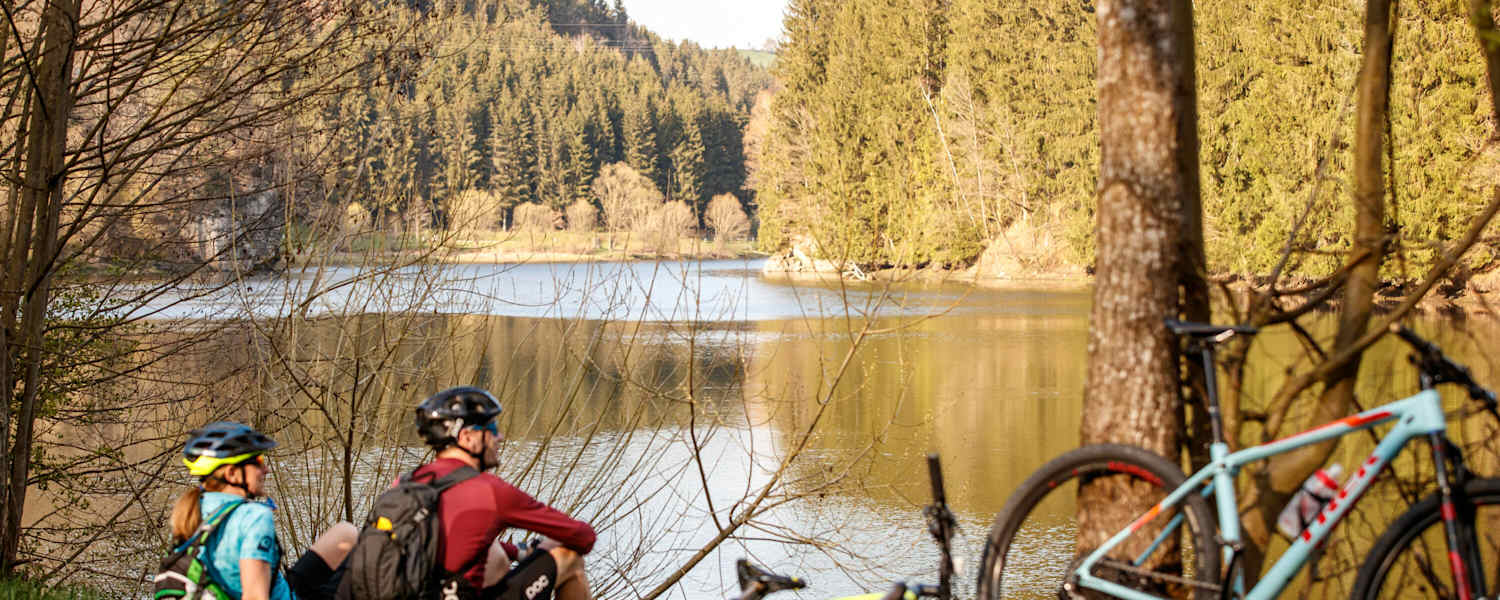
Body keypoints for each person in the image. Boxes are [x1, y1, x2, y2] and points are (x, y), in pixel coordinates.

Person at [408, 386, 596, 600]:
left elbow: (451, 544)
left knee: (492, 551)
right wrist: (545, 547)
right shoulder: (488, 491)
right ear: (468, 436)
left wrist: (518, 552)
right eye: (493, 428)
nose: (501, 437)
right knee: (569, 558)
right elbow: (584, 538)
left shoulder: (407, 483)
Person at [169, 422, 358, 600]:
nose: (266, 469)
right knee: (372, 561)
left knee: (345, 533)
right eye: (258, 462)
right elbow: (254, 596)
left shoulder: (193, 509)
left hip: (266, 588)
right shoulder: (254, 517)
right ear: (231, 473)